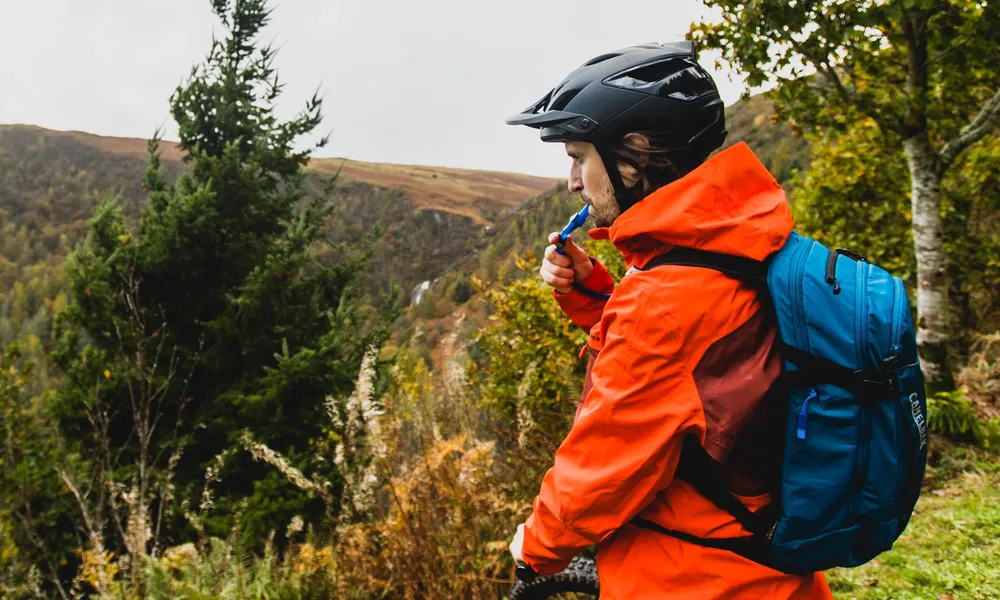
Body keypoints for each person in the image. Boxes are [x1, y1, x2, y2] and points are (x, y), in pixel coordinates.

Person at [505, 42, 833, 599]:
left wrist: (537, 546)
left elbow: (607, 459)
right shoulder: (740, 240)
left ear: (634, 152)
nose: (572, 182)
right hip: (770, 567)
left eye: (579, 156)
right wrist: (597, 296)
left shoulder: (663, 299)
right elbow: (703, 371)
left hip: (691, 575)